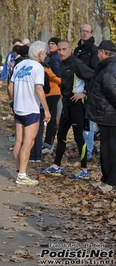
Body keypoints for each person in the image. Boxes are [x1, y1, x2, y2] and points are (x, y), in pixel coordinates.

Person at [41, 40, 94, 179]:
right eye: (59, 50)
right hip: (66, 104)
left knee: (78, 137)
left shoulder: (76, 63)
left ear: (70, 49)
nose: (61, 52)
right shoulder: (62, 63)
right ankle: (56, 166)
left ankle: (84, 170)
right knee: (61, 136)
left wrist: (85, 93)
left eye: (64, 49)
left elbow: (94, 77)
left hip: (77, 105)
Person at [7, 41, 51, 185]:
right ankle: (22, 175)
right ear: (40, 53)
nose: (45, 56)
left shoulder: (20, 64)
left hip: (19, 108)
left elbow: (10, 86)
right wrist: (46, 109)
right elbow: (39, 89)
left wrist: (13, 101)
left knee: (19, 141)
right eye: (45, 53)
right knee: (29, 141)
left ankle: (19, 170)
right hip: (31, 109)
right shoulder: (38, 67)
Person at [86, 40, 116, 192]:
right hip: (105, 115)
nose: (97, 54)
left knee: (111, 151)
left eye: (98, 52)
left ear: (103, 53)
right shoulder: (106, 66)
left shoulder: (109, 69)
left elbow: (113, 93)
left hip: (110, 116)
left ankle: (111, 182)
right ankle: (105, 179)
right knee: (105, 150)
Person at [74, 24, 99, 162]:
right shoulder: (77, 50)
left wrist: (85, 92)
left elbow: (94, 74)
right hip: (75, 91)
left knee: (87, 123)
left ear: (91, 33)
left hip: (86, 93)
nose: (84, 33)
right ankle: (83, 150)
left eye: (87, 31)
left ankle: (88, 153)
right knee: (79, 123)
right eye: (82, 31)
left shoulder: (93, 51)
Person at [42, 37, 62, 154]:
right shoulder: (51, 56)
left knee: (53, 118)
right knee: (54, 118)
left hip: (54, 91)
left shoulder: (54, 59)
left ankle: (49, 144)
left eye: (53, 44)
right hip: (51, 91)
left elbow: (57, 76)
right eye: (49, 43)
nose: (50, 45)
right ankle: (49, 143)